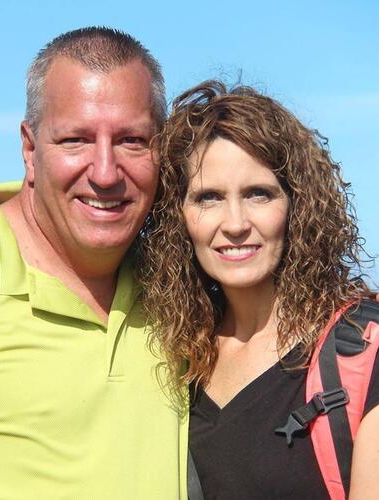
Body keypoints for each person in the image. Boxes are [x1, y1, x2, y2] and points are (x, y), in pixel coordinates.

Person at [0, 27, 188, 499]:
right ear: (29, 148)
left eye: (131, 140)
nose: (105, 172)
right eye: (75, 140)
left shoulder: (180, 295)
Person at [139, 80, 379, 499]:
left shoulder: (363, 348)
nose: (235, 224)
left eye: (258, 194)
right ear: (178, 217)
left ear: (296, 205)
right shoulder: (175, 355)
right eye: (208, 197)